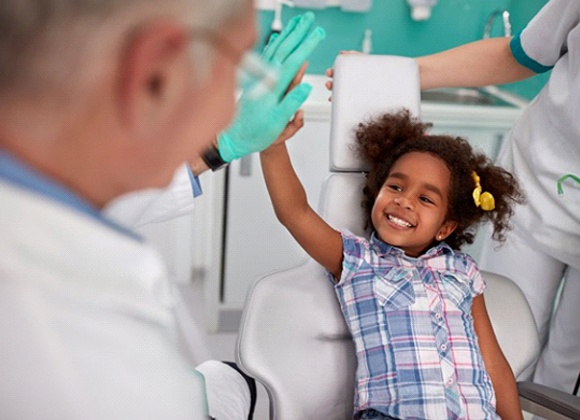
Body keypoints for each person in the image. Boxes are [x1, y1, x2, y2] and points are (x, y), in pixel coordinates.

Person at [0, 0, 324, 417]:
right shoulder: (75, 371)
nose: (234, 104)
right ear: (155, 76)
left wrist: (219, 148)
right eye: (240, 66)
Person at [326, 0, 580, 393]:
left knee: (566, 369)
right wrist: (390, 75)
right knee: (504, 341)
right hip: (534, 191)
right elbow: (520, 55)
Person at [260, 109, 525, 419]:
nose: (404, 200)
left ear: (445, 228)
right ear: (377, 191)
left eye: (426, 199)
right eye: (395, 187)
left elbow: (493, 363)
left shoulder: (463, 272)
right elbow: (295, 213)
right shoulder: (357, 259)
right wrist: (272, 145)